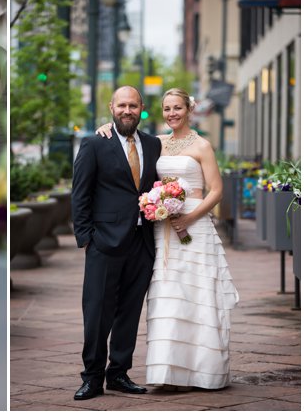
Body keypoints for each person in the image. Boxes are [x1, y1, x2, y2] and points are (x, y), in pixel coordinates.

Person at [94, 88, 239, 391]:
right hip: (162, 230)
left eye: (178, 108)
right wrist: (106, 127)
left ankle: (202, 371)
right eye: (167, 109)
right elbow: (127, 142)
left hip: (193, 229)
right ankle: (170, 372)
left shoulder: (202, 146)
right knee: (167, 297)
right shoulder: (156, 143)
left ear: (189, 110)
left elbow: (216, 191)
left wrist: (189, 217)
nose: (172, 114)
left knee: (196, 296)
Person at [71, 86, 162, 400]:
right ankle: (92, 378)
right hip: (104, 243)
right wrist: (86, 239)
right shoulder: (95, 144)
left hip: (143, 241)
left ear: (141, 108)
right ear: (111, 107)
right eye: (122, 105)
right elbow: (80, 194)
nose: (127, 111)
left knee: (129, 311)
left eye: (133, 105)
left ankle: (119, 373)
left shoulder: (153, 145)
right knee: (97, 312)